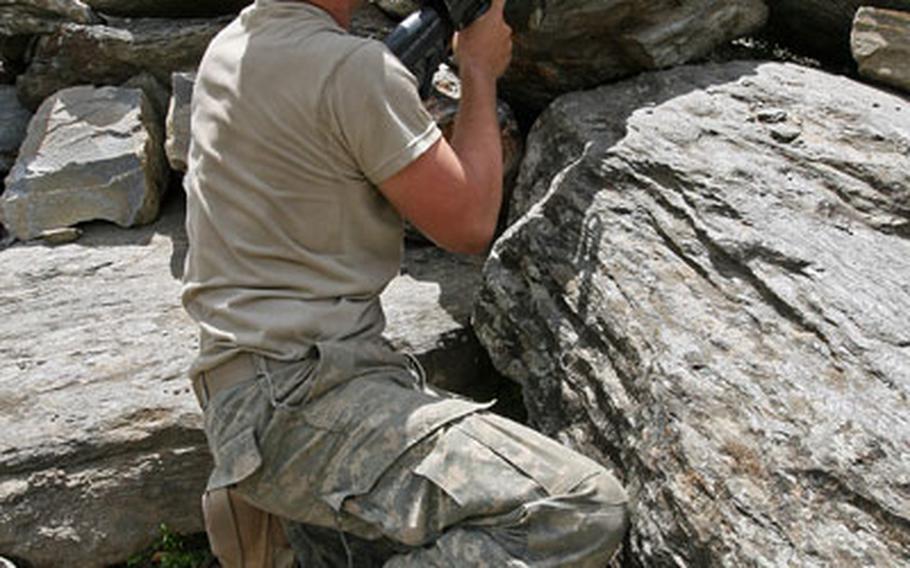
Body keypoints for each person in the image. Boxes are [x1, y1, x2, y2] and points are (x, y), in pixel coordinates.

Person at [181, 0, 630, 565]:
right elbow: (467, 223)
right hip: (307, 399)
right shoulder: (352, 72)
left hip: (242, 399)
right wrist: (479, 71)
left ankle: (286, 524)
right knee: (579, 507)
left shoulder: (229, 49)